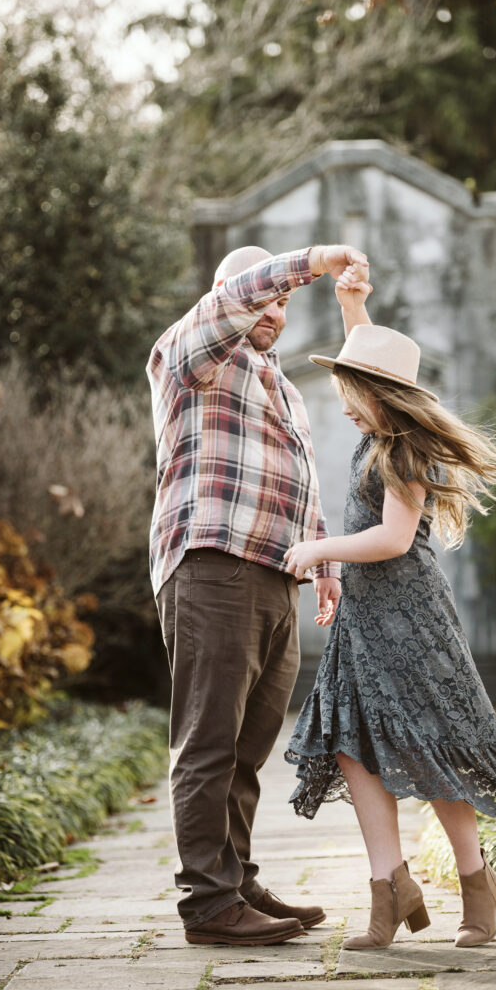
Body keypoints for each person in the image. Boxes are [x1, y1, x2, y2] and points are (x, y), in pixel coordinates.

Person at [283, 263, 496, 951]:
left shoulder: (402, 451)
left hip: (412, 620)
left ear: (386, 397)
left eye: (354, 393)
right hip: (365, 621)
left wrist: (320, 552)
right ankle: (390, 886)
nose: (344, 402)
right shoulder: (377, 432)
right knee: (350, 745)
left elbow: (393, 538)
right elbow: (367, 359)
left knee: (435, 747)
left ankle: (475, 882)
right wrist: (352, 305)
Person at [146, 242, 369, 946]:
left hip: (275, 574)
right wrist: (317, 260)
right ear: (231, 292)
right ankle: (208, 905)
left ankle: (236, 879)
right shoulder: (191, 354)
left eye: (283, 303)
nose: (274, 309)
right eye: (263, 296)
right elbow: (235, 301)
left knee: (247, 749)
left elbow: (298, 480)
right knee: (208, 741)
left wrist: (325, 565)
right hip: (212, 564)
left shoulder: (283, 385)